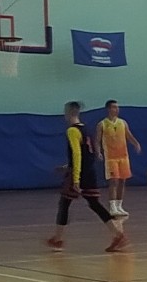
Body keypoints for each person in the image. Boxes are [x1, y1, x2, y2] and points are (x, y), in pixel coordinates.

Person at [48, 101, 128, 253]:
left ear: (69, 112)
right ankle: (118, 235)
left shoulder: (72, 131)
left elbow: (77, 154)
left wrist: (76, 178)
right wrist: (67, 166)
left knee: (64, 203)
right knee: (94, 204)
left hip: (79, 174)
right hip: (90, 172)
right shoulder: (86, 129)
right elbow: (87, 154)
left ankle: (58, 240)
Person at [97, 100, 142, 217]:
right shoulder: (102, 124)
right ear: (108, 109)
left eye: (117, 107)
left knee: (122, 181)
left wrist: (136, 143)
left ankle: (119, 206)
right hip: (111, 158)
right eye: (114, 107)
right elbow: (97, 140)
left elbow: (129, 135)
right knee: (114, 181)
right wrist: (98, 152)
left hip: (123, 157)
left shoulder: (123, 123)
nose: (117, 109)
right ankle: (112, 207)